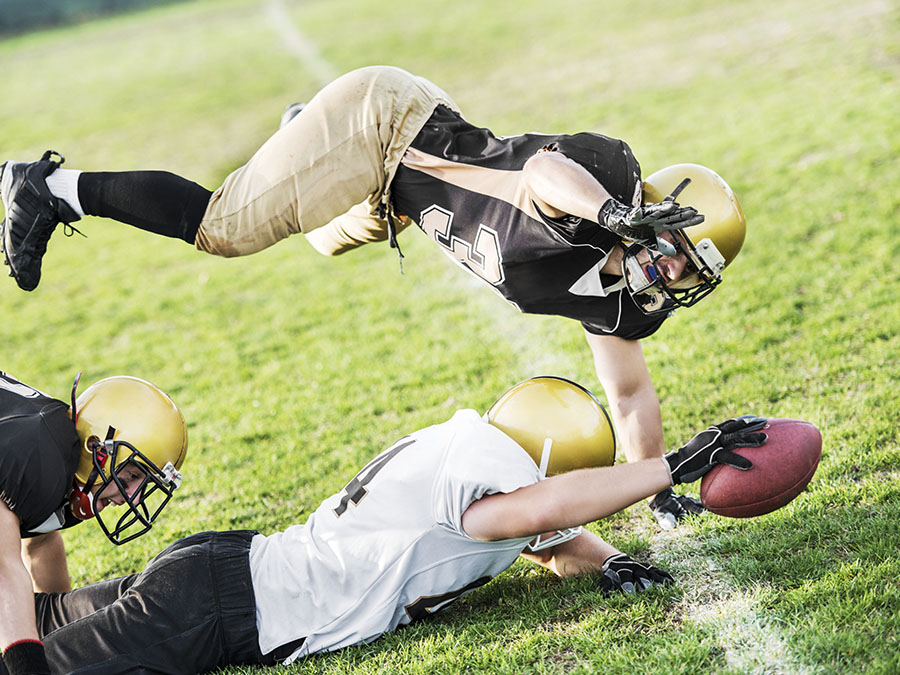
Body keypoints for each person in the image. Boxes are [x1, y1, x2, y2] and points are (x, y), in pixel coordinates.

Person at [0, 66, 747, 528]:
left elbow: (629, 394)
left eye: (690, 274)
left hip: (397, 193)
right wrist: (612, 213)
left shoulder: (623, 302)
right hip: (387, 130)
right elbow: (545, 172)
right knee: (221, 226)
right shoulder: (601, 180)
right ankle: (47, 188)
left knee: (321, 240)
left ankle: (299, 131)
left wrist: (653, 488)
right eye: (678, 252)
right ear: (657, 212)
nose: (672, 276)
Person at [0, 376, 767, 675]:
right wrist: (670, 465)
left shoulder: (469, 457)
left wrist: (606, 559)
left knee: (42, 619)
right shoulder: (497, 484)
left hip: (220, 570)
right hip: (226, 608)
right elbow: (537, 513)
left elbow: (542, 534)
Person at [0, 372, 188, 675]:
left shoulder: (57, 459)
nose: (133, 499)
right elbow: (4, 571)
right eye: (130, 478)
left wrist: (64, 632)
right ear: (95, 447)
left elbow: (40, 540)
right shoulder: (35, 456)